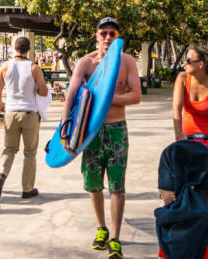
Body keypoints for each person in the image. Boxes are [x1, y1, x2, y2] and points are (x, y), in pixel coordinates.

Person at [65, 17, 141, 259]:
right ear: (96, 36)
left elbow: (135, 96)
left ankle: (116, 238)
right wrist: (66, 133)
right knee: (94, 184)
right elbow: (71, 97)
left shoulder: (127, 62)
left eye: (112, 33)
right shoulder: (85, 63)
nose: (107, 37)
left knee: (117, 186)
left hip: (117, 129)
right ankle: (101, 228)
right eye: (103, 33)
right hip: (90, 133)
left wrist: (104, 98)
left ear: (117, 37)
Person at [0, 36, 49, 200]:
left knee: (9, 149)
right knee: (30, 152)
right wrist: (37, 89)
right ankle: (27, 189)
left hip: (10, 112)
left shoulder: (5, 67)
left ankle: (1, 175)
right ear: (29, 50)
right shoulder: (34, 68)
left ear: (14, 48)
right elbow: (44, 92)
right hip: (29, 113)